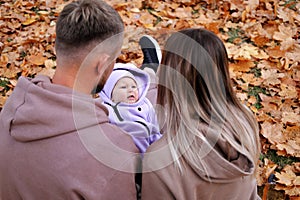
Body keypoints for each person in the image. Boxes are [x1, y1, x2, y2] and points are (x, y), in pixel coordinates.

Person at [0, 0, 140, 199]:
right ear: (101, 63)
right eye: (115, 59)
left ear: (58, 47)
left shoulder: (12, 110)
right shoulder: (112, 150)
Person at [141, 28, 261, 200]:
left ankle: (147, 76)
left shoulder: (160, 160)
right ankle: (149, 75)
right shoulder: (245, 124)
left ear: (169, 77)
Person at [99, 63, 162, 154]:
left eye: (134, 86)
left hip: (153, 143)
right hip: (128, 150)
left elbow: (154, 125)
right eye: (123, 87)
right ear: (111, 94)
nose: (131, 90)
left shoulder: (145, 104)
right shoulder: (108, 109)